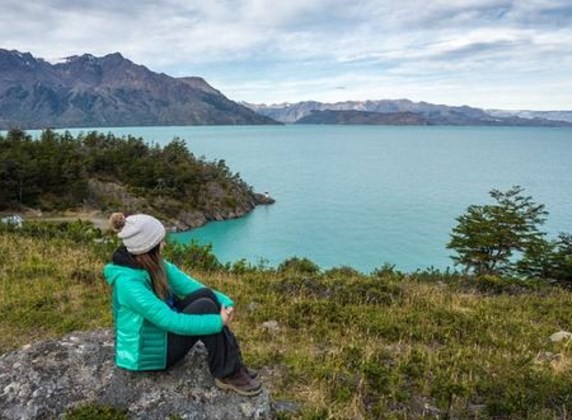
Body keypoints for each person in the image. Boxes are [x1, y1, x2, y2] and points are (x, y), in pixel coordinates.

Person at [103, 212, 261, 396]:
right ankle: (227, 373)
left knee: (206, 296)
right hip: (149, 352)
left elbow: (192, 287)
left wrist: (225, 302)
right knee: (206, 307)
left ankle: (232, 364)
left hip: (159, 335)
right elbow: (171, 321)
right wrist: (218, 321)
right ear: (148, 248)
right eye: (160, 241)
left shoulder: (153, 264)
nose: (165, 244)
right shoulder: (128, 285)